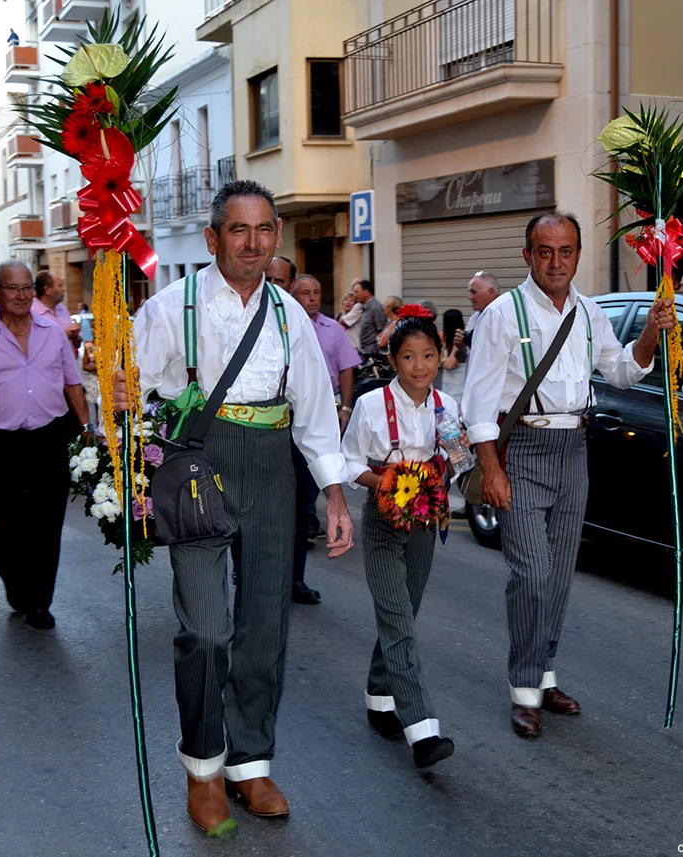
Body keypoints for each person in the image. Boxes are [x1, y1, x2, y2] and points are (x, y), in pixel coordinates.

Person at [112, 179, 353, 834]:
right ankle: (203, 770)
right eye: (239, 231)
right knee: (207, 629)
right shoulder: (171, 308)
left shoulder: (288, 312)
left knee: (265, 622)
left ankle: (251, 764)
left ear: (277, 235)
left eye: (265, 230)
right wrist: (123, 414)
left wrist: (333, 491)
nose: (253, 243)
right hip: (198, 465)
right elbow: (132, 392)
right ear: (214, 238)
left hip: (273, 467)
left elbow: (313, 404)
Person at [462, 211, 675, 739]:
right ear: (527, 255)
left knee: (558, 576)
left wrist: (650, 332)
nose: (556, 262)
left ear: (578, 255)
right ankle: (524, 687)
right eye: (544, 251)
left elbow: (623, 370)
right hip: (524, 449)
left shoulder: (588, 313)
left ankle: (545, 674)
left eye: (566, 251)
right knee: (531, 573)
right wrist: (492, 469)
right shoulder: (502, 315)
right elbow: (478, 406)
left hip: (575, 447)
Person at [341, 305, 458, 769]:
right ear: (393, 360)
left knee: (402, 613)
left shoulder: (449, 407)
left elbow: (457, 459)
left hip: (427, 519)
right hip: (384, 521)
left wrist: (456, 466)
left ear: (439, 355)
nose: (420, 366)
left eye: (429, 355)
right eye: (409, 357)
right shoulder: (371, 406)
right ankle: (422, 728)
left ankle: (379, 693)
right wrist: (385, 481)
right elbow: (348, 463)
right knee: (399, 620)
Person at [0, 261, 88, 630]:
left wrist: (88, 431)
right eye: (13, 288)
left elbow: (73, 384)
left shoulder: (53, 333)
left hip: (47, 439)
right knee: (7, 526)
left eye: (27, 287)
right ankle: (15, 579)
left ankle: (40, 603)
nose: (22, 295)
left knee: (46, 524)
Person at [290, 274, 361, 605]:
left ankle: (296, 579)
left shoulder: (333, 329)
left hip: (318, 418)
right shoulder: (282, 323)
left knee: (304, 502)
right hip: (278, 419)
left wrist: (345, 408)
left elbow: (347, 369)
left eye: (317, 291)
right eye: (305, 292)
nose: (313, 298)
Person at [33, 271, 82, 344]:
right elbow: (34, 345)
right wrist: (63, 335)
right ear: (47, 290)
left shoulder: (63, 310)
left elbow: (76, 344)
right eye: (60, 286)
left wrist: (75, 335)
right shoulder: (31, 313)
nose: (63, 289)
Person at [439, 308, 467, 405]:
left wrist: (441, 362)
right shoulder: (446, 339)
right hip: (448, 384)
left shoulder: (459, 341)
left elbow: (449, 365)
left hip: (457, 386)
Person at [353, 279, 388, 357]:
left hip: (373, 354)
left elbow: (381, 330)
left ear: (366, 292)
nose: (354, 295)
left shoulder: (376, 308)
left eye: (356, 292)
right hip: (365, 352)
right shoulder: (364, 307)